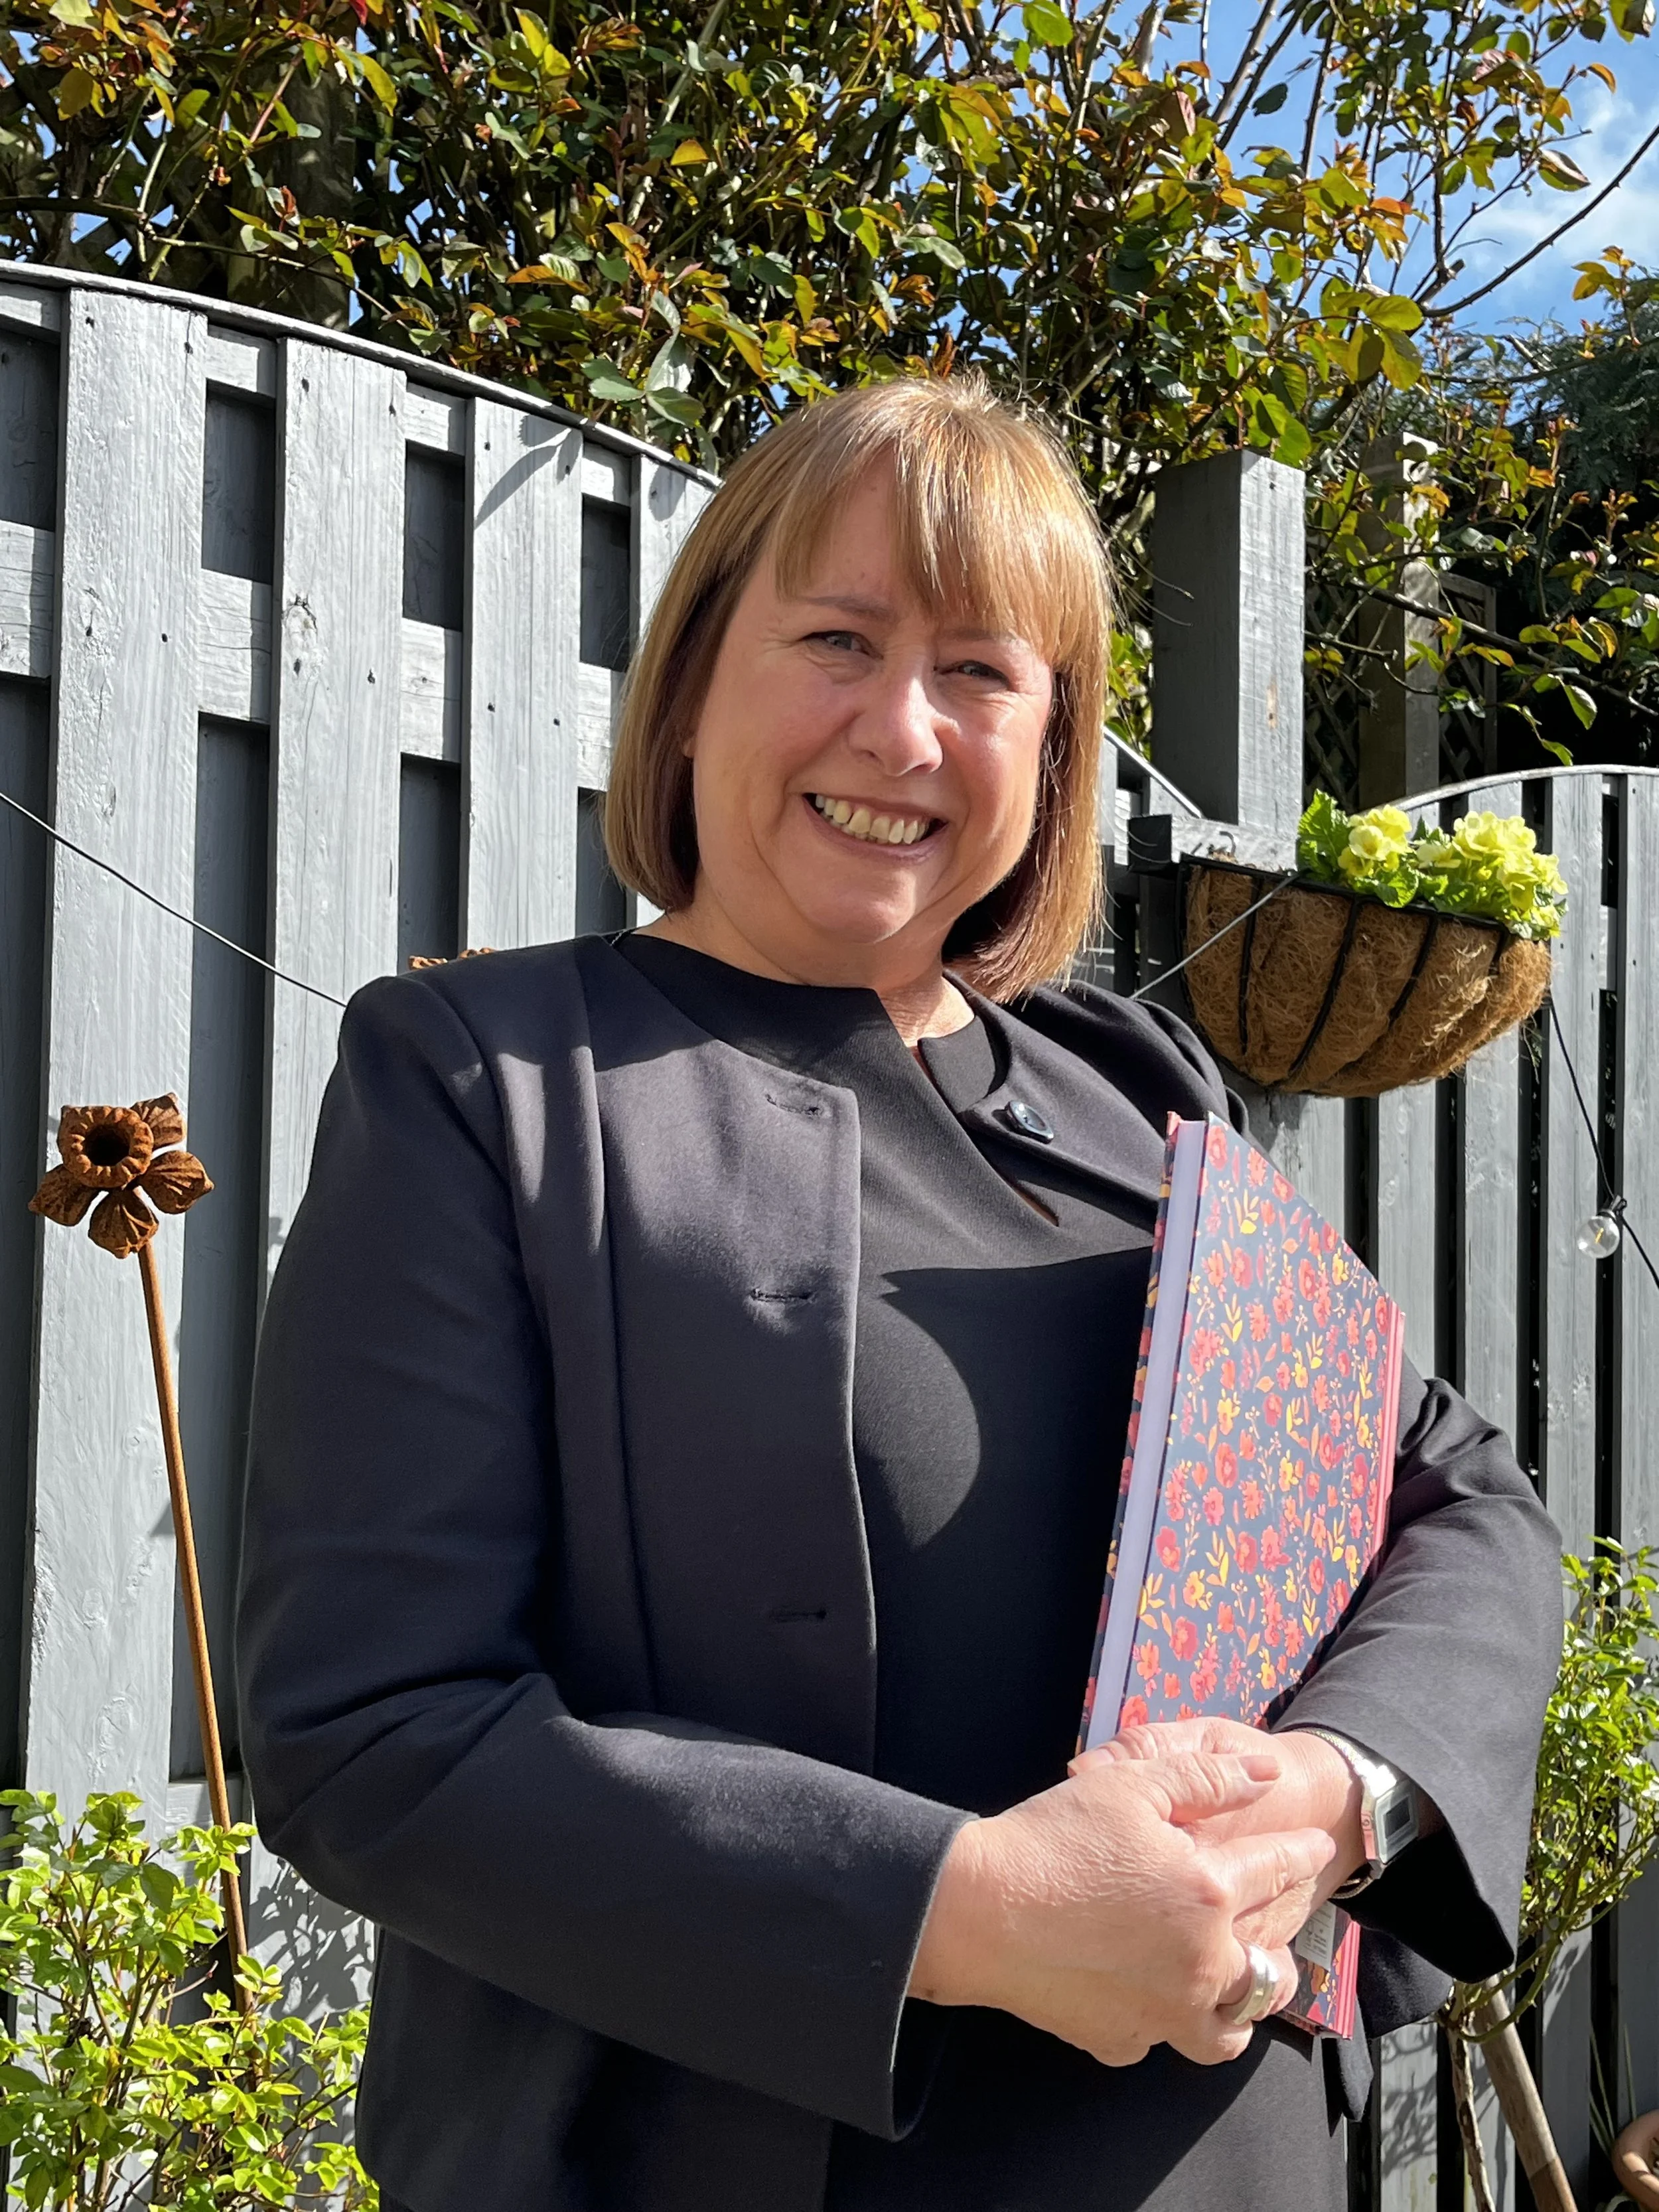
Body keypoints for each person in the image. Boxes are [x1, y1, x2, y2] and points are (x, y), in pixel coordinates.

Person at [238, 376, 1563, 2212]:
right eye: (837, 640)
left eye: (981, 672)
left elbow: (1456, 1496)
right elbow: (367, 1722)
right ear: (697, 673)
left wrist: (1344, 1786)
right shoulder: (485, 1082)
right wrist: (978, 1912)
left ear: (1051, 749)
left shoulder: (1141, 1089)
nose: (904, 729)